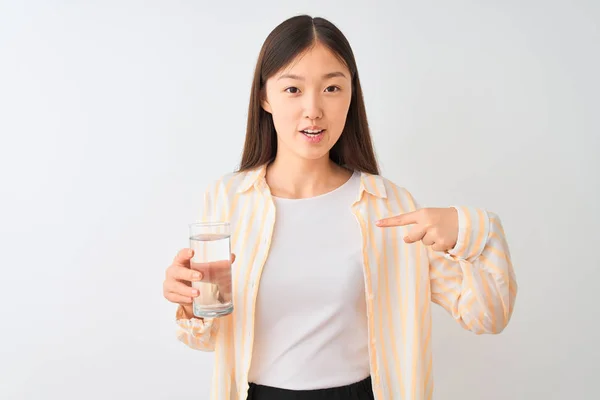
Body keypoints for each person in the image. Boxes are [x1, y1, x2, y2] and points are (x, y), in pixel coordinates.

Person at [162, 14, 517, 400]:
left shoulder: (390, 206)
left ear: (351, 95)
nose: (313, 109)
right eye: (293, 90)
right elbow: (206, 339)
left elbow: (488, 314)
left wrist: (471, 228)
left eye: (332, 88)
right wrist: (192, 306)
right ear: (264, 96)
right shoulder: (227, 199)